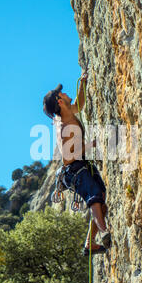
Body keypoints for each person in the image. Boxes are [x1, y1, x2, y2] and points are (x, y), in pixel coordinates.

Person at [43, 73, 111, 256]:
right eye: (62, 94)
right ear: (59, 101)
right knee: (95, 195)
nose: (65, 94)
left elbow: (79, 105)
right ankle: (104, 232)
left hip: (79, 166)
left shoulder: (66, 113)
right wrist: (91, 145)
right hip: (73, 169)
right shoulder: (64, 126)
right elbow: (67, 157)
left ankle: (90, 243)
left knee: (101, 198)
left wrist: (83, 83)